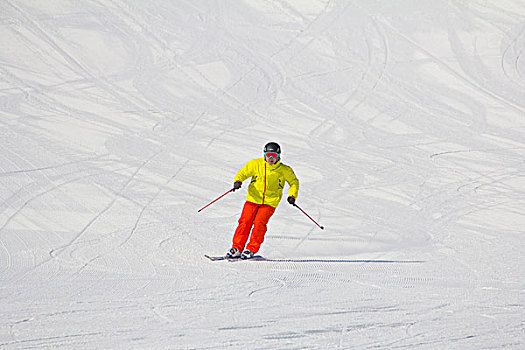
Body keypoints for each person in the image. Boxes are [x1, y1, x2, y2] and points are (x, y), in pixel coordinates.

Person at [226, 142, 299, 259]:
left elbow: (294, 182)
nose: (270, 158)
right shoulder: (255, 164)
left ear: (278, 156)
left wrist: (292, 196)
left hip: (270, 202)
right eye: (268, 154)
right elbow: (243, 173)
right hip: (253, 199)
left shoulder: (284, 170)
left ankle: (251, 248)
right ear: (264, 154)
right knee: (245, 222)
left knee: (259, 224)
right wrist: (238, 181)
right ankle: (237, 248)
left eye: (274, 155)